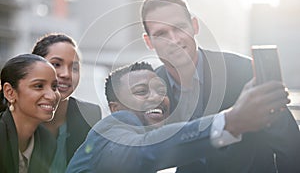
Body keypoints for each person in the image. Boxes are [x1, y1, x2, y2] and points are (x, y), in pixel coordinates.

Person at [141, 0, 300, 172]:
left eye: (179, 28)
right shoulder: (148, 90)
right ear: (149, 42)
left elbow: (290, 145)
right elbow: (139, 155)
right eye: (161, 34)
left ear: (194, 26)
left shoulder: (245, 71)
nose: (174, 40)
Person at [66, 61, 290, 173]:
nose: (157, 98)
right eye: (142, 91)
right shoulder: (113, 128)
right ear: (115, 108)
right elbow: (145, 151)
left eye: (161, 90)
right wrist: (231, 121)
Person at [31, 33, 102, 173]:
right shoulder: (10, 115)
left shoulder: (90, 115)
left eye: (74, 68)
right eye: (56, 64)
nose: (66, 74)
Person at [0, 54, 61, 173]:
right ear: (10, 92)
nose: (52, 96)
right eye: (38, 86)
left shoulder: (47, 141)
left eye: (54, 87)